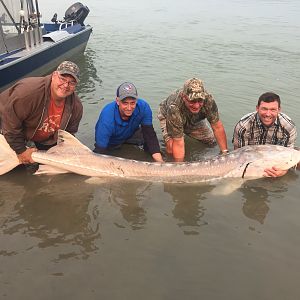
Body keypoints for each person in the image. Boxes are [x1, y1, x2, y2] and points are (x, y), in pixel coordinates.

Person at [0, 61, 83, 164]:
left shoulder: (77, 106)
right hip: (6, 124)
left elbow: (68, 134)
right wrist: (21, 150)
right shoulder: (29, 92)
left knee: (54, 165)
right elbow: (10, 122)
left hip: (41, 133)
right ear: (54, 75)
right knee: (15, 169)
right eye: (62, 78)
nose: (66, 85)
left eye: (72, 82)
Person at [157, 78, 228, 162]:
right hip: (169, 116)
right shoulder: (174, 107)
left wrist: (225, 153)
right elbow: (178, 141)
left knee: (211, 142)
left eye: (200, 100)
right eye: (192, 101)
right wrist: (179, 166)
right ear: (183, 97)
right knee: (171, 148)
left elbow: (217, 127)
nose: (196, 106)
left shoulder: (208, 100)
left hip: (195, 118)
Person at [94, 82, 164, 162]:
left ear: (136, 100)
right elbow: (100, 150)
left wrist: (160, 162)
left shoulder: (143, 107)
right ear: (117, 101)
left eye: (132, 103)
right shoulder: (107, 117)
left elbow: (150, 136)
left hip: (130, 134)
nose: (129, 108)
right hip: (111, 142)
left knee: (150, 142)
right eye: (125, 103)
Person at [232, 92, 297, 177]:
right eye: (264, 109)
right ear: (257, 108)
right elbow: (238, 158)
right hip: (251, 157)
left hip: (273, 155)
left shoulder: (288, 126)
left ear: (279, 110)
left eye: (273, 109)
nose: (268, 114)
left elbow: (288, 154)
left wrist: (283, 171)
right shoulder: (243, 126)